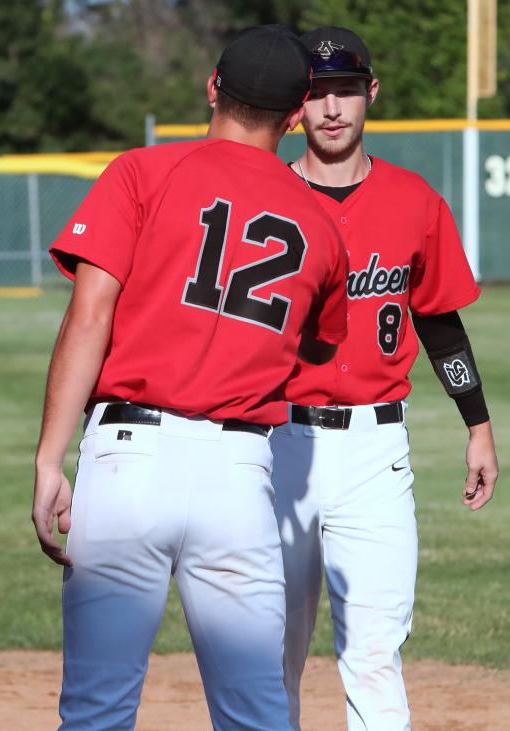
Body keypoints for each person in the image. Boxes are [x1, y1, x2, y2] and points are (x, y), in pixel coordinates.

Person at [31, 25, 350, 731]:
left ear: (212, 87)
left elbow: (90, 316)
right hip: (238, 476)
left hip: (126, 462)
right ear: (298, 114)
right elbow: (321, 350)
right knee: (257, 715)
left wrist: (51, 457)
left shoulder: (142, 173)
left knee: (96, 711)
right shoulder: (322, 228)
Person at [271, 26, 500, 731]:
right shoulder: (264, 195)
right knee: (269, 651)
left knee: (373, 652)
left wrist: (478, 425)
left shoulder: (413, 200)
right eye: (316, 94)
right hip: (274, 444)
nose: (332, 108)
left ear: (370, 93)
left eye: (345, 90)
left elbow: (439, 321)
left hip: (376, 449)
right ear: (295, 108)